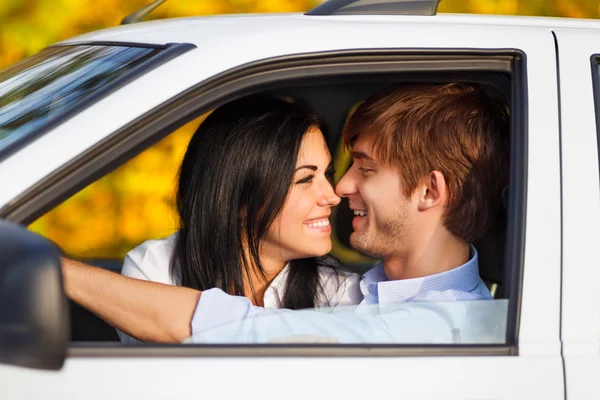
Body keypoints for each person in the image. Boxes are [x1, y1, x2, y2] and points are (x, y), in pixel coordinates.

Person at [62, 82, 509, 343]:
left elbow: (248, 331)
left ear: (430, 190)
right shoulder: (369, 293)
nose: (339, 189)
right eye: (306, 177)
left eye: (365, 169)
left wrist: (56, 270)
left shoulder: (446, 326)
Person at [65, 95, 363, 344]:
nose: (332, 195)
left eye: (326, 174)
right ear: (240, 197)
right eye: (305, 179)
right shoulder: (157, 267)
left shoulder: (341, 292)